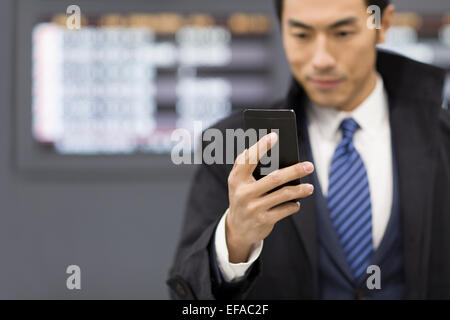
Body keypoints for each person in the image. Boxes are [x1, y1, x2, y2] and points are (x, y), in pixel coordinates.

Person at [167, 0, 450, 299]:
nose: (321, 59)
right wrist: (234, 240)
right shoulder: (234, 143)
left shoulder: (442, 139)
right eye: (301, 35)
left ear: (383, 25)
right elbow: (187, 297)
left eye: (342, 33)